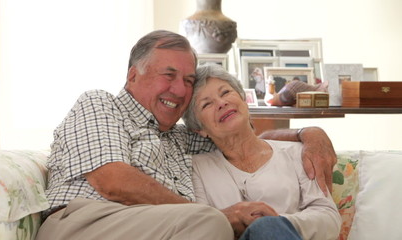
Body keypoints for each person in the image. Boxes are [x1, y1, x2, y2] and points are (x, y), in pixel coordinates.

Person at [36, 30, 337, 240]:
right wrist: (217, 215)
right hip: (85, 224)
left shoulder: (181, 139)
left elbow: (236, 135)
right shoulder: (100, 104)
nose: (180, 90)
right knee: (211, 223)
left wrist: (309, 132)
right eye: (168, 75)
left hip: (159, 229)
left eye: (188, 80)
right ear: (133, 75)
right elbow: (113, 180)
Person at [182, 63, 341, 240]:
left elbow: (328, 217)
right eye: (206, 104)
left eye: (225, 92)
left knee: (267, 228)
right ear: (199, 129)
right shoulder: (196, 168)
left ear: (244, 100)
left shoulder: (297, 152)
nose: (221, 103)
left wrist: (277, 223)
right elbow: (202, 229)